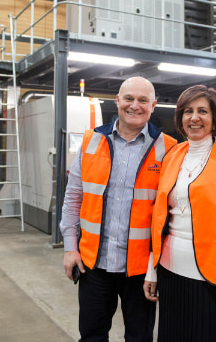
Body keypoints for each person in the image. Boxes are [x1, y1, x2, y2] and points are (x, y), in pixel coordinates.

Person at [60, 76, 177, 342]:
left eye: (143, 100)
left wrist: (159, 267)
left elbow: (173, 213)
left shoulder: (169, 149)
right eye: (129, 98)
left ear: (153, 105)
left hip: (141, 270)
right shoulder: (91, 140)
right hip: (94, 264)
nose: (134, 106)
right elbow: (74, 197)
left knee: (139, 337)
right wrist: (70, 248)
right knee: (91, 335)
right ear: (117, 101)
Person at [143, 85, 216, 342]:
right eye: (188, 111)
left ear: (215, 118)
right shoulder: (173, 155)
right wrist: (152, 269)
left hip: (214, 279)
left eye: (202, 111)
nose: (194, 118)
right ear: (180, 118)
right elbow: (161, 217)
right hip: (170, 272)